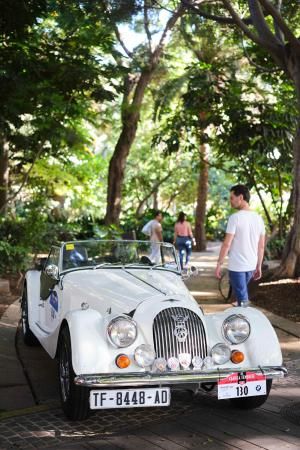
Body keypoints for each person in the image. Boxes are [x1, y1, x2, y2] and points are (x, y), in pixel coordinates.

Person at [215, 184, 265, 307]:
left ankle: (248, 323)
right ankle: (240, 320)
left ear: (240, 197)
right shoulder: (259, 219)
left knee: (242, 300)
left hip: (237, 266)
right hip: (251, 265)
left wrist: (219, 263)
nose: (230, 202)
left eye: (232, 198)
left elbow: (227, 244)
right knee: (241, 297)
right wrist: (258, 265)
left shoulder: (235, 218)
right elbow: (261, 246)